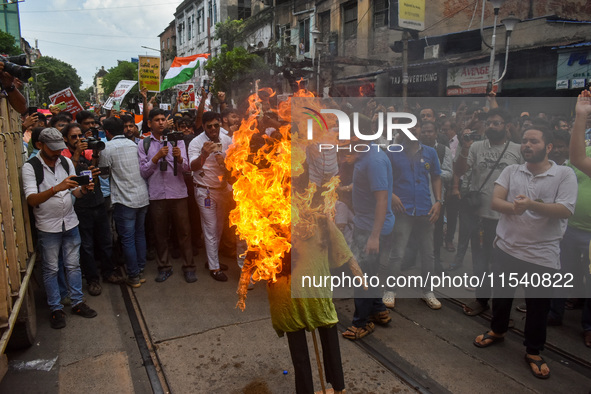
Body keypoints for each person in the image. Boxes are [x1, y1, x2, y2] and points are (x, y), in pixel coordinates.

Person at [473, 124, 577, 380]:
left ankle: (533, 350)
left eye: (534, 141)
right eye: (524, 141)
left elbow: (565, 210)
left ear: (548, 147)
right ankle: (497, 331)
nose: (527, 146)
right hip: (506, 248)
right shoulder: (512, 170)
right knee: (502, 297)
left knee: (537, 306)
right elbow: (496, 201)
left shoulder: (564, 175)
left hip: (542, 256)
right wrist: (513, 208)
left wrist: (531, 205)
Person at [22, 128, 98, 329]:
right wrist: (57, 188)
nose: (57, 153)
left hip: (70, 222)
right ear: (40, 145)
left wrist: (83, 189)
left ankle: (77, 302)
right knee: (51, 268)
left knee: (73, 265)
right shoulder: (30, 167)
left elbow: (75, 192)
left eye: (59, 149)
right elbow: (31, 199)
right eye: (53, 149)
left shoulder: (65, 162)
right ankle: (55, 308)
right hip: (48, 226)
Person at [454, 108, 524, 316]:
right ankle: (481, 299)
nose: (492, 127)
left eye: (497, 123)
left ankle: (501, 310)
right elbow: (459, 171)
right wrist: (464, 149)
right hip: (481, 217)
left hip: (507, 218)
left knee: (504, 265)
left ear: (507, 126)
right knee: (480, 260)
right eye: (490, 123)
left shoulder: (517, 150)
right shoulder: (475, 146)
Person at [381, 121, 443, 310]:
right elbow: (383, 176)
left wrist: (439, 201)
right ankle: (390, 290)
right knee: (397, 253)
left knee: (428, 253)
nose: (413, 131)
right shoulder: (392, 151)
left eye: (416, 127)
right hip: (403, 210)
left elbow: (436, 177)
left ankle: (428, 291)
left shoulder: (430, 152)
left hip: (426, 209)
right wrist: (391, 195)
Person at [341, 126, 395, 340]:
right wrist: (345, 189)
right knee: (369, 272)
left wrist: (374, 236)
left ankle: (362, 322)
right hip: (367, 224)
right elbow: (368, 185)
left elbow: (382, 199)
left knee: (361, 275)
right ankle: (379, 308)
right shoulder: (363, 154)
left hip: (372, 228)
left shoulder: (373, 161)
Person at [138, 108, 196, 283]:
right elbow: (143, 172)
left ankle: (189, 267)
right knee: (160, 234)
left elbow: (187, 168)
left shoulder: (177, 140)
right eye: (157, 120)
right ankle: (164, 267)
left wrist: (179, 159)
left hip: (178, 194)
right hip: (157, 195)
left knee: (184, 233)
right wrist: (156, 157)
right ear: (149, 124)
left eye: (163, 119)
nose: (161, 122)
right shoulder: (144, 144)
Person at [99, 117, 150, 287]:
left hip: (124, 200)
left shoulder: (107, 148)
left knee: (128, 238)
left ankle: (133, 275)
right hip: (142, 197)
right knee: (139, 234)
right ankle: (140, 270)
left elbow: (104, 175)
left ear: (107, 132)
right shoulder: (134, 145)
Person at [188, 111, 233, 281]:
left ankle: (213, 260)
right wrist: (204, 154)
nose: (214, 129)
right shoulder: (195, 142)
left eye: (216, 125)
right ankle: (214, 268)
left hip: (222, 190)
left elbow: (234, 161)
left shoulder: (227, 139)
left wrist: (227, 164)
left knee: (219, 227)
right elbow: (192, 166)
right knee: (210, 228)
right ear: (204, 127)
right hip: (204, 190)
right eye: (210, 126)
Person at [565, 87, 591, 348]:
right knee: (567, 270)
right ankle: (558, 309)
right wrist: (581, 115)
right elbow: (578, 157)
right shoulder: (588, 148)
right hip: (574, 228)